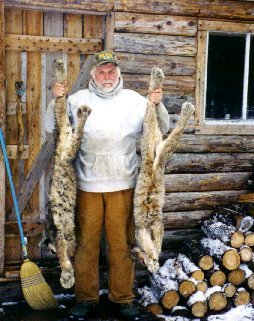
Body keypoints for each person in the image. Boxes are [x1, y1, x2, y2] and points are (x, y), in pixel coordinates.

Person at [45, 50, 169, 320]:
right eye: (101, 71)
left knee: (121, 245)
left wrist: (157, 105)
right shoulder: (77, 100)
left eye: (111, 71)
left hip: (124, 185)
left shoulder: (135, 101)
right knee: (86, 245)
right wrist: (55, 100)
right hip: (87, 186)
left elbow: (161, 128)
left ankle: (122, 298)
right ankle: (86, 297)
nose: (106, 76)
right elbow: (49, 126)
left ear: (118, 73)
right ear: (93, 75)